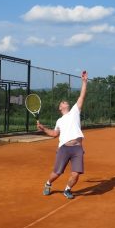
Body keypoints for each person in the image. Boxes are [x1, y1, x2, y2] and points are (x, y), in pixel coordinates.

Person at [37, 70, 88, 200]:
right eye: (63, 102)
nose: (65, 102)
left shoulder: (75, 111)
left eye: (65, 102)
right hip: (64, 148)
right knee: (57, 173)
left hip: (77, 148)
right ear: (60, 108)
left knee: (76, 174)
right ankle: (48, 183)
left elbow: (82, 96)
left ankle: (67, 190)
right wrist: (43, 128)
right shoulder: (59, 121)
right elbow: (54, 134)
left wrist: (84, 82)